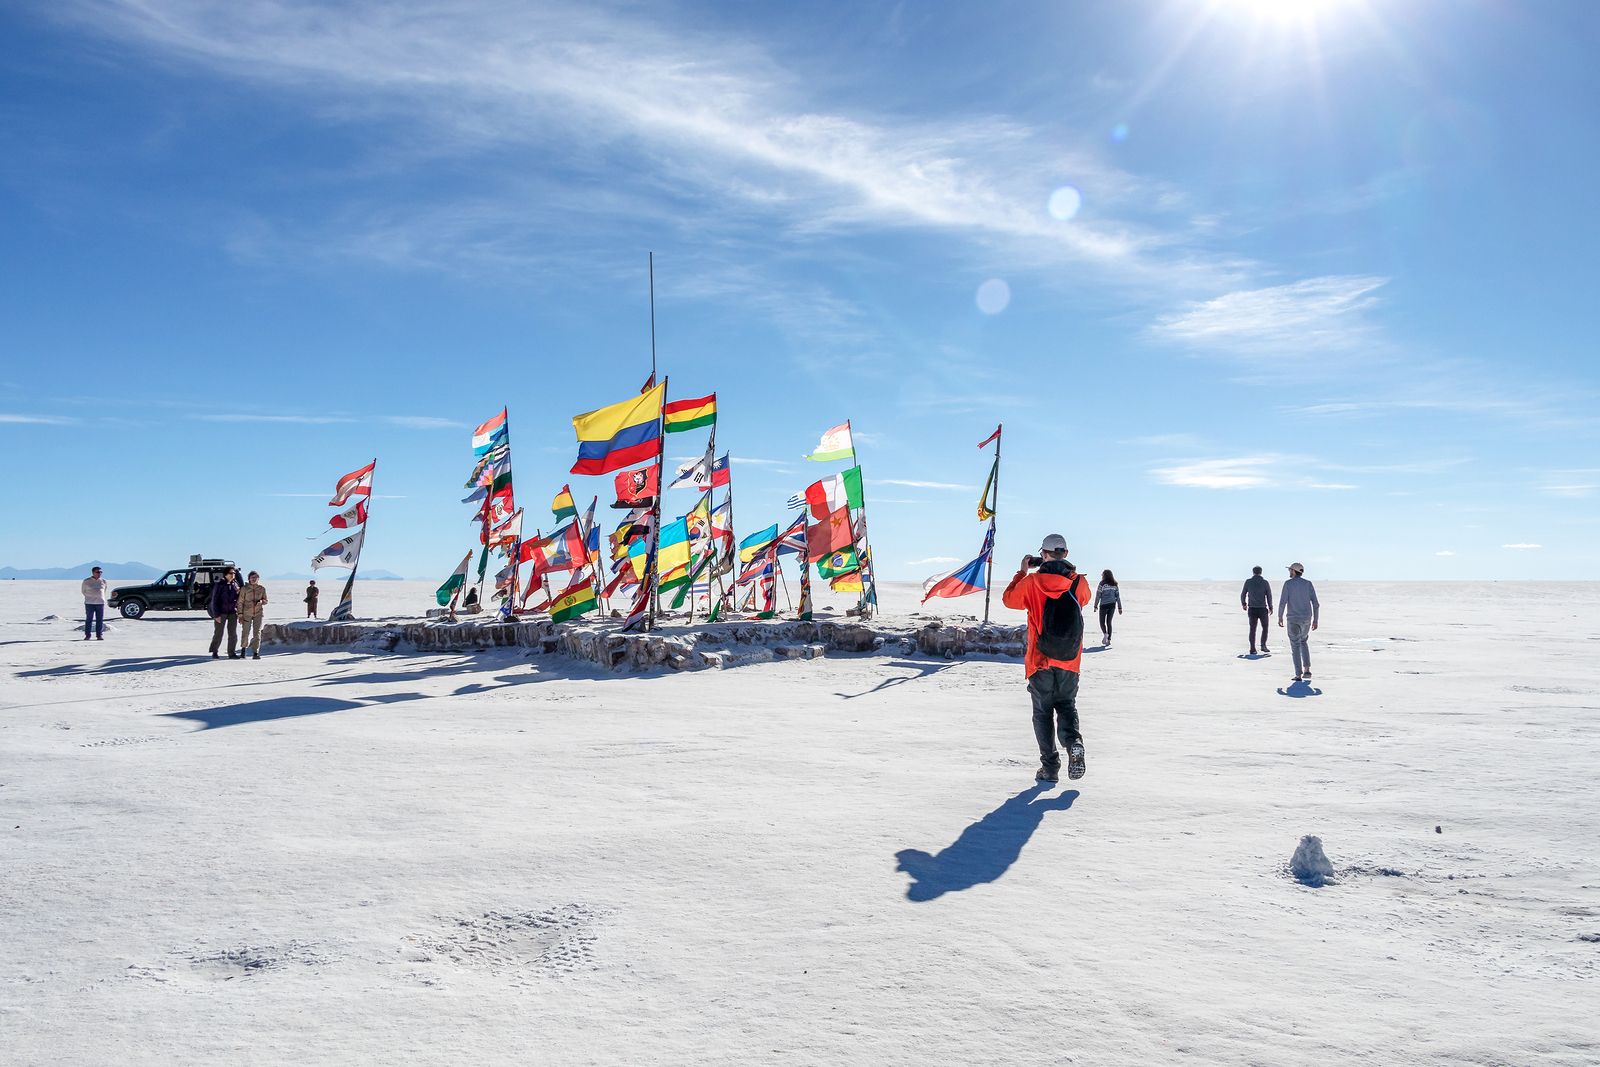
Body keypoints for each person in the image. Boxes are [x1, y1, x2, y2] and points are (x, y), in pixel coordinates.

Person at [1002, 533, 1094, 784]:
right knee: (1066, 705)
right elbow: (1082, 602)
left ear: (1042, 555)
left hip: (1039, 659)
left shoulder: (1032, 582)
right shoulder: (1079, 584)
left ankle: (1050, 768)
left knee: (1042, 713)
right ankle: (1073, 742)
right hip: (1069, 659)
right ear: (1065, 554)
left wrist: (1022, 572)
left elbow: (1009, 600)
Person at [1278, 562, 1320, 682]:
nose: (1289, 572)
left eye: (1290, 570)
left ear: (1294, 571)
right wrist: (1315, 620)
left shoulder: (1288, 584)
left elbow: (1283, 602)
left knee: (1295, 645)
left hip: (1293, 619)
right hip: (1306, 619)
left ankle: (1298, 674)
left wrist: (1280, 617)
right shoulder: (1308, 584)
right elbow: (1316, 604)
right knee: (1303, 642)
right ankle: (1307, 670)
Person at [208, 566, 242, 660]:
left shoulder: (235, 584)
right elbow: (214, 600)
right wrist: (216, 614)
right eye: (231, 573)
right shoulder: (219, 584)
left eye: (234, 573)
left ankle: (231, 652)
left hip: (232, 612)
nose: (233, 575)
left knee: (233, 633)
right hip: (221, 612)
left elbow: (238, 598)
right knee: (219, 633)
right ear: (226, 574)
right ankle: (214, 651)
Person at [1241, 565, 1274, 655]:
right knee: (1265, 628)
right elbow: (1269, 595)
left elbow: (1243, 594)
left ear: (1253, 572)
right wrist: (1271, 606)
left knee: (1252, 629)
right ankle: (1263, 645)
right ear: (1261, 572)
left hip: (1252, 609)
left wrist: (1244, 604)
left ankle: (1252, 648)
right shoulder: (1265, 582)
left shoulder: (1248, 582)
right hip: (1262, 609)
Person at [237, 571, 268, 660]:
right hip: (247, 613)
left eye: (255, 577)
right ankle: (243, 651)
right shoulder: (244, 589)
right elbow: (240, 602)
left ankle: (255, 652)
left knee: (257, 633)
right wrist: (240, 614)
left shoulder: (262, 589)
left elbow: (266, 600)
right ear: (249, 579)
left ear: (258, 579)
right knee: (245, 632)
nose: (254, 579)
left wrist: (262, 602)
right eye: (252, 577)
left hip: (258, 613)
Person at [1094, 569, 1122, 647]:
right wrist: (1120, 607)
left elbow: (1098, 595)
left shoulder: (1102, 584)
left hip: (1104, 605)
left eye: (1102, 574)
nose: (1101, 575)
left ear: (1105, 575)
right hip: (1112, 605)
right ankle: (1109, 640)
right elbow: (1117, 596)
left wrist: (1095, 605)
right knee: (1109, 622)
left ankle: (1105, 634)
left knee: (1102, 622)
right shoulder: (1115, 584)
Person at [81, 565, 108, 641]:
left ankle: (99, 635)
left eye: (100, 572)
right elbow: (83, 591)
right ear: (93, 572)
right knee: (89, 619)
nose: (99, 573)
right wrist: (91, 596)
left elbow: (104, 590)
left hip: (100, 603)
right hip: (90, 603)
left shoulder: (103, 581)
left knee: (100, 619)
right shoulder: (86, 581)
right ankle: (88, 635)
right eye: (98, 572)